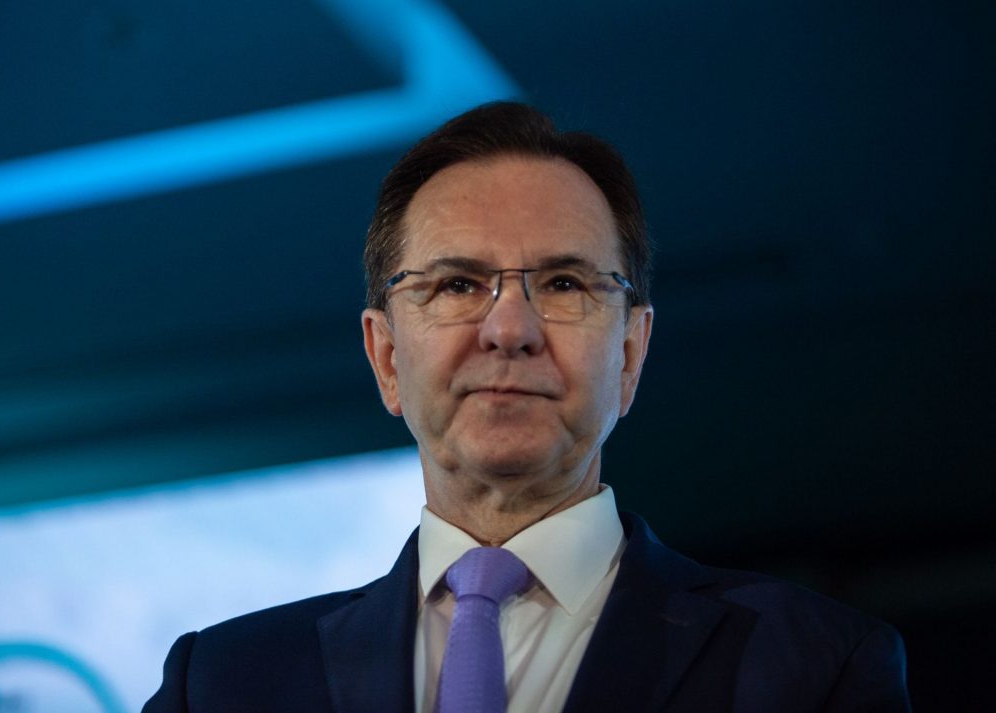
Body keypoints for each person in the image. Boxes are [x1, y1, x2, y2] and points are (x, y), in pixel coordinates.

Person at [143, 102, 910, 712]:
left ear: (630, 355)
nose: (509, 328)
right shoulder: (222, 684)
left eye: (565, 283)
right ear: (386, 358)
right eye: (457, 284)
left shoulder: (815, 666)